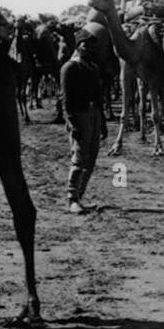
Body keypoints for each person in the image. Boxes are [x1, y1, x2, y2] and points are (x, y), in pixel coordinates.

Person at [61, 31, 104, 215]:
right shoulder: (69, 68)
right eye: (85, 44)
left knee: (91, 158)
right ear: (78, 45)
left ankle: (80, 195)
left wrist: (101, 122)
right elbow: (66, 99)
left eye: (91, 44)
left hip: (93, 113)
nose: (88, 48)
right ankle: (72, 198)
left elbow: (98, 96)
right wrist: (72, 123)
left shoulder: (93, 67)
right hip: (80, 114)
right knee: (79, 158)